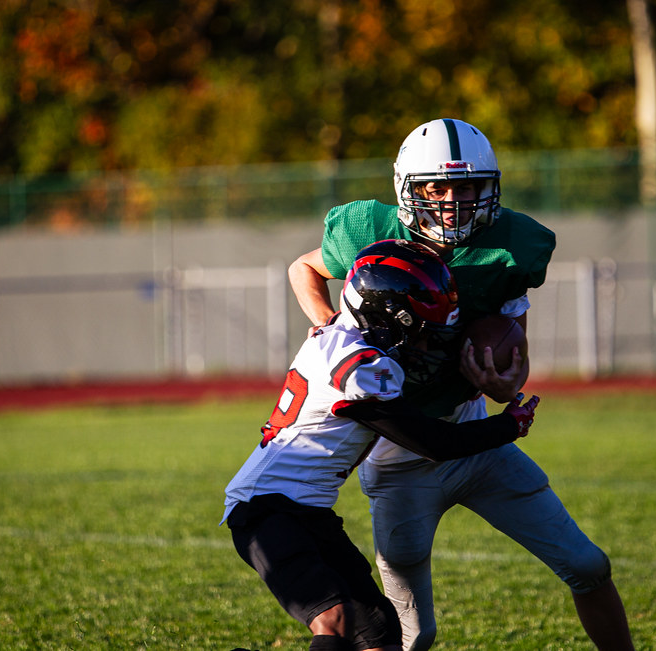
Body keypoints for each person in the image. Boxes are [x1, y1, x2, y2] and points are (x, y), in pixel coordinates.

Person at [288, 119, 635, 650]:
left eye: (467, 186)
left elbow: (513, 368)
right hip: (399, 456)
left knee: (589, 565)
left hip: (474, 439)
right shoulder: (367, 230)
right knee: (410, 636)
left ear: (488, 187)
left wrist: (500, 380)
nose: (453, 200)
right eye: (437, 187)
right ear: (410, 187)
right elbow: (303, 269)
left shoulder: (510, 249)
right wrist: (325, 321)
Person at [223, 239, 541, 651]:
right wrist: (507, 426)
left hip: (309, 511)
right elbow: (432, 442)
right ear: (387, 315)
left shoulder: (340, 335)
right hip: (265, 509)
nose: (431, 338)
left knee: (379, 634)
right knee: (333, 621)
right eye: (422, 326)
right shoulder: (360, 367)